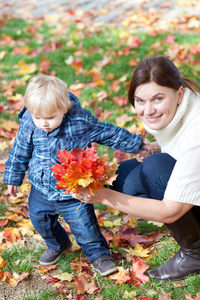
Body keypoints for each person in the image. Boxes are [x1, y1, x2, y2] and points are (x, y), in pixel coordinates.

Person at [4, 73, 151, 277]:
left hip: (74, 189)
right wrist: (13, 177)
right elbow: (20, 150)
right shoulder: (30, 122)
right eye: (38, 117)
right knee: (40, 220)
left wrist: (136, 144)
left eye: (49, 118)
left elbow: (108, 132)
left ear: (64, 109)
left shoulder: (80, 121)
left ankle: (98, 255)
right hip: (41, 187)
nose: (43, 123)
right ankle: (58, 244)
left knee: (84, 224)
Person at [72, 56, 200, 281]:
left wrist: (103, 197)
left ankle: (195, 252)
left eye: (157, 99)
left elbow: (170, 210)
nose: (148, 110)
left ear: (178, 94)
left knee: (154, 168)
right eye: (140, 101)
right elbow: (180, 141)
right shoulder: (179, 106)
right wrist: (153, 146)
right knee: (122, 180)